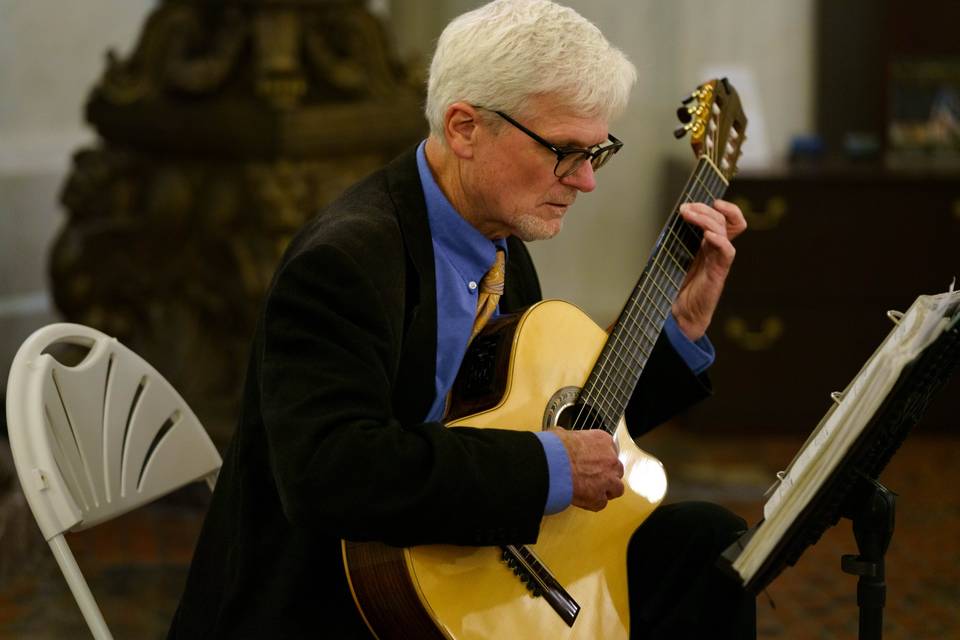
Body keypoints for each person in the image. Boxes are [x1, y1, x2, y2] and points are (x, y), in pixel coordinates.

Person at [169, 1, 754, 638]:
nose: (586, 180)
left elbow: (575, 431)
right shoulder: (344, 262)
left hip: (469, 553)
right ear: (465, 127)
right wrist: (549, 469)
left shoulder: (502, 239)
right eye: (564, 151)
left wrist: (682, 325)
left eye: (597, 152)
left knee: (708, 546)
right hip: (334, 598)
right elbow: (330, 474)